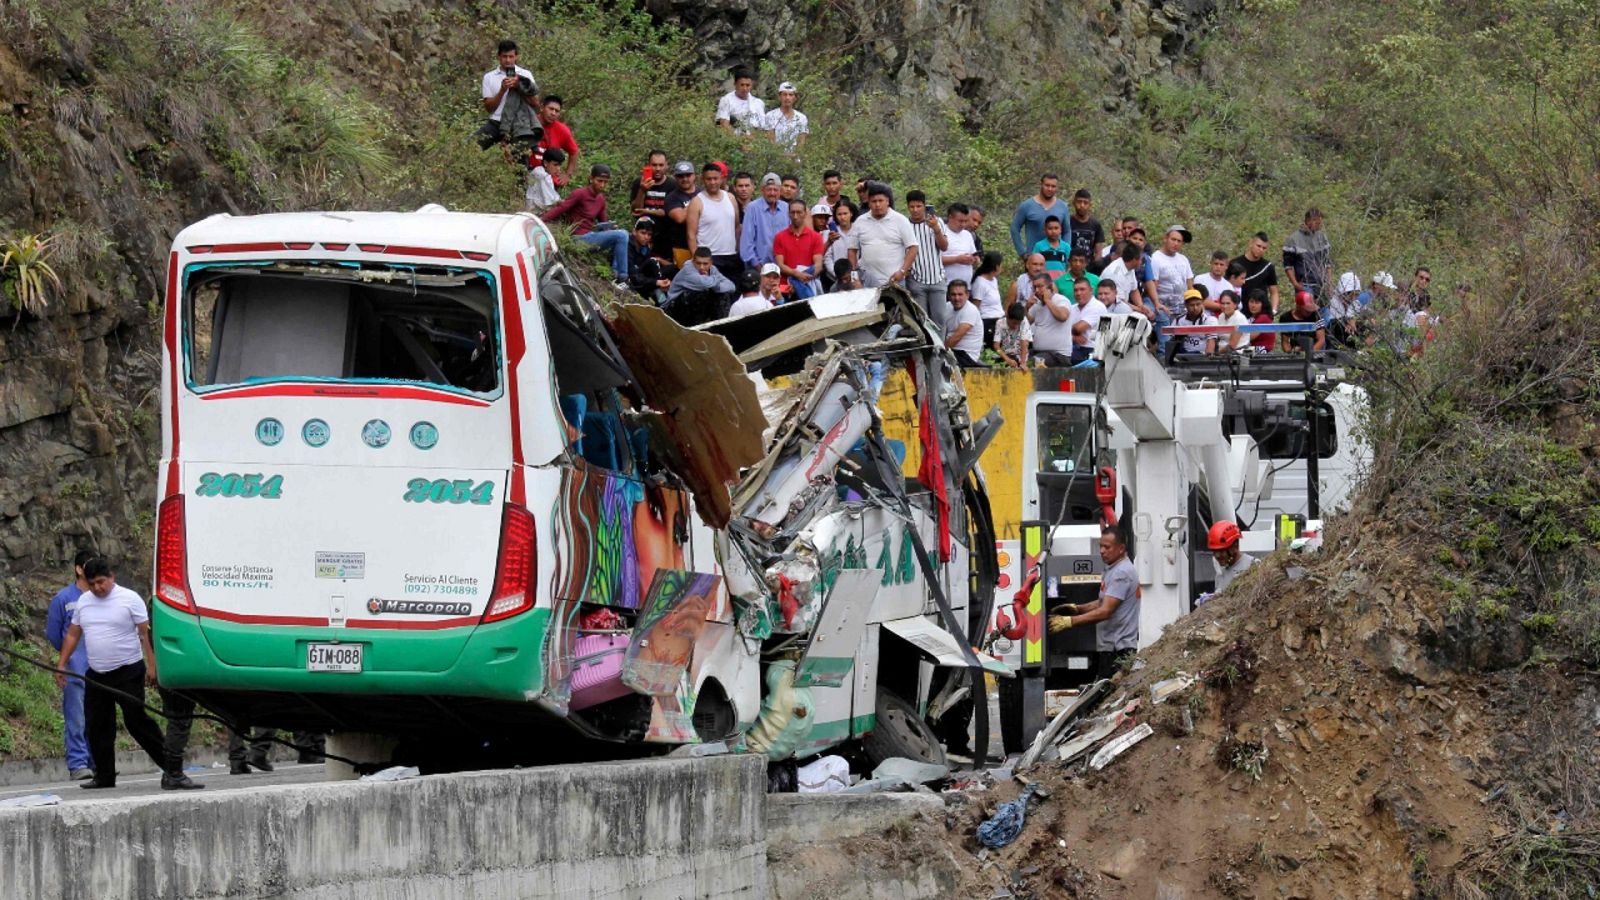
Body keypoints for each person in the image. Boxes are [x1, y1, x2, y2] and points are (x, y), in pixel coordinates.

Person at [54, 557, 202, 790]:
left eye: (101, 582)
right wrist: (61, 664)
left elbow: (146, 635)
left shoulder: (129, 599)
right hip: (97, 672)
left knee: (137, 721)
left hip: (128, 671)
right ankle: (104, 776)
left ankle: (172, 769)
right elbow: (73, 634)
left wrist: (152, 667)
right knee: (98, 725)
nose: (97, 588)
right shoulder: (84, 602)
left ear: (111, 577)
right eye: (92, 583)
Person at [1048, 528, 1141, 681]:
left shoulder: (1121, 573)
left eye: (1107, 547)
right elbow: (1102, 602)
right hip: (1110, 649)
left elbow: (1106, 611)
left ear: (1121, 549)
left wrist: (1070, 622)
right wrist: (1078, 609)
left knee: (1107, 694)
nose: (1102, 551)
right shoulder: (1113, 569)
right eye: (1100, 546)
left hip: (1118, 650)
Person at [46, 549, 95, 780]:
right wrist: (67, 659)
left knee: (97, 718)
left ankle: (97, 762)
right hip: (75, 670)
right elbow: (55, 635)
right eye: (90, 565)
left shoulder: (100, 596)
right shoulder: (63, 599)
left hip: (99, 671)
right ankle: (78, 764)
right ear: (79, 569)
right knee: (76, 719)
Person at [541, 164, 629, 284]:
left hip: (591, 238)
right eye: (599, 181)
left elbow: (604, 223)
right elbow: (561, 208)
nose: (602, 185)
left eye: (605, 182)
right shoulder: (580, 193)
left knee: (622, 236)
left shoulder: (601, 199)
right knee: (622, 235)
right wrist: (541, 220)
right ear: (591, 179)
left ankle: (616, 273)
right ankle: (623, 276)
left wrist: (611, 228)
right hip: (578, 239)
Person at [847, 182, 917, 289]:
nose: (877, 205)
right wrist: (854, 276)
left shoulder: (900, 220)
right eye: (874, 201)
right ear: (869, 203)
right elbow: (852, 250)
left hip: (894, 280)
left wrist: (902, 271)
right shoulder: (860, 221)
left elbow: (913, 248)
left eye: (881, 201)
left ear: (887, 201)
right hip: (866, 281)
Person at [477, 39, 539, 150]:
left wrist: (518, 86)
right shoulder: (489, 77)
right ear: (499, 56)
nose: (508, 60)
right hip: (496, 122)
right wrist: (502, 90)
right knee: (472, 146)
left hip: (518, 123)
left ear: (516, 57)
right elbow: (489, 108)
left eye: (511, 57)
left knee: (519, 158)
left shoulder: (525, 74)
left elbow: (535, 102)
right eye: (504, 56)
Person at [686, 162, 742, 280]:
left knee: (733, 292)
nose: (712, 182)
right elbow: (691, 234)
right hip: (709, 258)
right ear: (703, 179)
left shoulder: (730, 198)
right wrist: (698, 262)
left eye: (715, 178)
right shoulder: (696, 202)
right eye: (709, 179)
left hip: (731, 256)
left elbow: (737, 226)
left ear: (721, 178)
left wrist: (737, 249)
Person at [905, 190, 949, 327]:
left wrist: (936, 228)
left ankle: (939, 347)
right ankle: (926, 348)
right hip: (916, 280)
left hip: (937, 277)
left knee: (940, 318)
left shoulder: (937, 222)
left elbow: (944, 247)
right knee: (921, 319)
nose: (915, 210)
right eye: (912, 207)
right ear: (908, 207)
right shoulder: (904, 225)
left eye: (918, 206)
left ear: (924, 206)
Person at [666, 248, 736, 325]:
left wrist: (715, 286)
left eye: (705, 264)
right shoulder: (688, 270)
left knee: (724, 294)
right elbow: (705, 283)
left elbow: (731, 287)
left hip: (695, 308)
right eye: (698, 263)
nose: (702, 267)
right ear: (693, 261)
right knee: (701, 292)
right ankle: (695, 327)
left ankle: (721, 326)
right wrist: (715, 279)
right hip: (673, 309)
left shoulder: (713, 270)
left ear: (711, 263)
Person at [1009, 173, 1070, 259]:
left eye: (1053, 186)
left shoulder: (1063, 206)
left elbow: (1067, 231)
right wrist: (1022, 253)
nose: (1050, 189)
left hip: (1057, 260)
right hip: (1034, 260)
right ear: (1041, 184)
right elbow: (1014, 228)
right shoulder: (1027, 205)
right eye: (1047, 185)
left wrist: (1066, 252)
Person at [773, 198, 825, 299]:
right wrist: (796, 274)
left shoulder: (816, 237)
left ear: (805, 214)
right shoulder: (780, 237)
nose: (795, 216)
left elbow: (818, 265)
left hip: (808, 284)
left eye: (799, 212)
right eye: (793, 212)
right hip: (786, 287)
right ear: (788, 214)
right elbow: (780, 264)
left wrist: (805, 277)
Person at [739, 173, 788, 270]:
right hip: (758, 267)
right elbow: (746, 242)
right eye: (769, 190)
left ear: (780, 191)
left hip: (783, 267)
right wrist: (758, 266)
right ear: (762, 190)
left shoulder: (786, 207)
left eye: (775, 190)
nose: (772, 193)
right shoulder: (753, 208)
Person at [1026, 271, 1076, 366]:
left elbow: (1063, 316)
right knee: (1020, 362)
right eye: (1034, 287)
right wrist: (1027, 308)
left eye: (1040, 286)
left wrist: (1048, 300)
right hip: (1039, 352)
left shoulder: (1061, 300)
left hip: (1058, 355)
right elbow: (1027, 322)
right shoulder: (1037, 304)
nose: (1036, 290)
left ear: (1050, 286)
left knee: (1032, 363)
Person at [1283, 209, 1332, 302]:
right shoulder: (1293, 239)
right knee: (1308, 313)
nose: (1320, 224)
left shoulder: (1322, 237)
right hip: (1305, 285)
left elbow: (1327, 263)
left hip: (1322, 286)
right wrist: (1295, 284)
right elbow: (1287, 266)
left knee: (1325, 312)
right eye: (1318, 222)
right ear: (1310, 221)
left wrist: (1329, 284)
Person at [531, 95, 580, 186]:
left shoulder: (562, 130)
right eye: (551, 109)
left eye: (557, 111)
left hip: (550, 181)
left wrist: (568, 175)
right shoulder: (529, 122)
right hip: (527, 175)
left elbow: (574, 151)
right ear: (542, 108)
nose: (553, 113)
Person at [1230, 232, 1281, 313]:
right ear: (1251, 243)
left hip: (1260, 314)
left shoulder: (1268, 266)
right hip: (1239, 311)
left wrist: (1273, 310)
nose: (1261, 250)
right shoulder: (1235, 263)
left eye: (1264, 248)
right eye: (1258, 246)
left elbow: (1274, 292)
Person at [1100, 241, 1152, 319]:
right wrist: (1139, 310)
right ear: (1134, 260)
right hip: (1110, 308)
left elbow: (1134, 290)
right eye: (1141, 259)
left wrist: (1141, 306)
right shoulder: (1115, 273)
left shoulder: (1129, 267)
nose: (1142, 262)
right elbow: (1118, 300)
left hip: (1123, 305)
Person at [627, 217, 673, 303]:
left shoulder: (645, 248)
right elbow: (633, 276)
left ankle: (663, 301)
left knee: (672, 269)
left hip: (642, 278)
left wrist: (656, 282)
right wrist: (657, 282)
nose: (646, 237)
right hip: (631, 280)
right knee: (653, 261)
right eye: (643, 233)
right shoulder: (627, 246)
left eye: (649, 234)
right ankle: (664, 301)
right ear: (634, 232)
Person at [660, 161, 698, 266]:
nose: (685, 179)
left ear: (694, 175)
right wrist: (697, 203)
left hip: (705, 245)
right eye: (681, 176)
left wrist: (687, 208)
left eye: (688, 175)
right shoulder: (671, 198)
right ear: (675, 177)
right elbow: (680, 218)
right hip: (682, 247)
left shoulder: (703, 192)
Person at [1067, 276, 1108, 362]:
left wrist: (1068, 331)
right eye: (1076, 290)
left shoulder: (1097, 306)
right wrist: (1073, 337)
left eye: (1082, 289)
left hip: (1092, 351)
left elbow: (1078, 329)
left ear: (1091, 290)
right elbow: (1060, 330)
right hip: (1074, 347)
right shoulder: (1072, 308)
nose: (1078, 293)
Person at [943, 280, 984, 367]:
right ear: (948, 296)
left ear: (967, 295)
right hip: (952, 352)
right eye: (953, 294)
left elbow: (956, 338)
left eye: (960, 294)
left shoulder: (971, 310)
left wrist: (939, 352)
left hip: (966, 356)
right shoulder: (947, 307)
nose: (956, 298)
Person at [1207, 521, 1256, 593]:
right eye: (1214, 551)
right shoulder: (1220, 573)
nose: (1217, 555)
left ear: (1235, 546)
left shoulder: (1253, 566)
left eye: (1221, 551)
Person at [716, 67, 766, 136]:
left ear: (752, 85)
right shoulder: (726, 100)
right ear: (735, 84)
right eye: (742, 85)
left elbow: (762, 127)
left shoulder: (758, 103)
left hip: (754, 142)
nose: (745, 88)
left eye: (747, 85)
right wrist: (740, 141)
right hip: (734, 140)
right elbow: (724, 125)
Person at [629, 150, 672, 227]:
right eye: (654, 165)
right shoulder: (639, 182)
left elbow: (670, 212)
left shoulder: (672, 184)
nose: (658, 168)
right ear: (648, 165)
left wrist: (647, 211)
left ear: (666, 165)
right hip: (644, 229)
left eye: (661, 165)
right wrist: (642, 190)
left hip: (666, 228)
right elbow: (635, 211)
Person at [971, 251, 1005, 346]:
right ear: (997, 266)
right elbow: (975, 306)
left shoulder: (994, 280)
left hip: (999, 319)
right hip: (988, 321)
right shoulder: (980, 283)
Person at [821, 199, 857, 288]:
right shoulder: (829, 233)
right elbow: (827, 258)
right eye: (839, 214)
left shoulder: (859, 230)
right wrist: (838, 275)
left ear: (851, 213)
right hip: (833, 279)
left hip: (856, 277)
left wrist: (852, 275)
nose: (842, 217)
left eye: (845, 213)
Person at [941, 204, 979, 287]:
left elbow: (974, 256)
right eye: (960, 221)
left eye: (966, 221)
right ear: (950, 217)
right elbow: (934, 260)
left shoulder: (968, 235)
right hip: (946, 284)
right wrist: (956, 259)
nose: (963, 225)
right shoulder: (941, 233)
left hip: (966, 286)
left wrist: (975, 259)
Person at [1172, 288, 1217, 355]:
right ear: (1186, 305)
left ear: (1202, 303)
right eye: (1192, 305)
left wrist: (1208, 359)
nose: (1195, 308)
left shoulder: (1210, 320)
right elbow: (1170, 339)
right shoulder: (1178, 320)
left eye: (1198, 304)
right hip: (1183, 355)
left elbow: (1211, 341)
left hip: (1202, 355)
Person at [765, 82, 809, 151]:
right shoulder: (770, 116)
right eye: (784, 94)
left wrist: (793, 156)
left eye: (790, 95)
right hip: (776, 157)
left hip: (795, 159)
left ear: (795, 98)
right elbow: (771, 142)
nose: (787, 98)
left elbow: (801, 142)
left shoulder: (802, 118)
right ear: (779, 97)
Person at [1327, 271, 1364, 347]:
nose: (1353, 298)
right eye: (1351, 295)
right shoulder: (1332, 302)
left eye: (1356, 294)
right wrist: (1347, 321)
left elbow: (1361, 315)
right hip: (1335, 338)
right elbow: (1332, 323)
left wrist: (1353, 320)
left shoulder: (1356, 303)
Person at [993, 302, 1033, 369]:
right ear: (1007, 317)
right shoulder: (1000, 323)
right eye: (1014, 323)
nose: (1016, 326)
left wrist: (1023, 363)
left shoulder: (1024, 321)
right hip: (1006, 356)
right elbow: (996, 346)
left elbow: (1024, 342)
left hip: (1021, 356)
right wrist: (1007, 359)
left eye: (1018, 324)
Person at [1066, 189, 1104, 260]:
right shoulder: (1067, 222)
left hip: (1089, 266)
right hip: (1070, 265)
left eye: (1085, 203)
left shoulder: (1095, 224)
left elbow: (1098, 252)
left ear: (1090, 205)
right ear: (1074, 203)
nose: (1082, 205)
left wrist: (1095, 266)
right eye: (1079, 202)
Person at [524, 146, 564, 212]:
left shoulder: (541, 171)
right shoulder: (542, 175)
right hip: (535, 212)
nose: (558, 168)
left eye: (559, 165)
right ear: (545, 163)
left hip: (537, 209)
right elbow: (552, 201)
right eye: (555, 165)